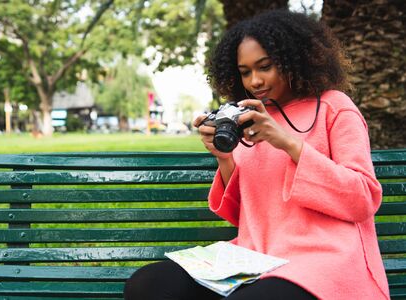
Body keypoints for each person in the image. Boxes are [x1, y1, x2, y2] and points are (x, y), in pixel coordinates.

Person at [124, 9, 389, 300]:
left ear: (295, 60)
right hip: (255, 256)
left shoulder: (334, 107)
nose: (255, 81)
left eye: (265, 67)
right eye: (245, 71)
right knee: (148, 284)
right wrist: (224, 157)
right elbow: (244, 215)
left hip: (322, 261)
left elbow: (362, 199)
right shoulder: (246, 116)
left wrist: (288, 143)